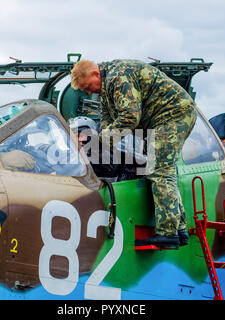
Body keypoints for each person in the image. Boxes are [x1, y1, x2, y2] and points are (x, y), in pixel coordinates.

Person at [70, 59, 197, 249]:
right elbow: (108, 120)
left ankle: (167, 233)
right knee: (164, 170)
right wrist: (101, 144)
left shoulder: (118, 77)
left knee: (159, 170)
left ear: (96, 74)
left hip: (173, 114)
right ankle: (179, 229)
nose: (89, 93)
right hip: (161, 119)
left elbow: (129, 117)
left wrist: (101, 142)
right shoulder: (106, 89)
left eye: (88, 87)